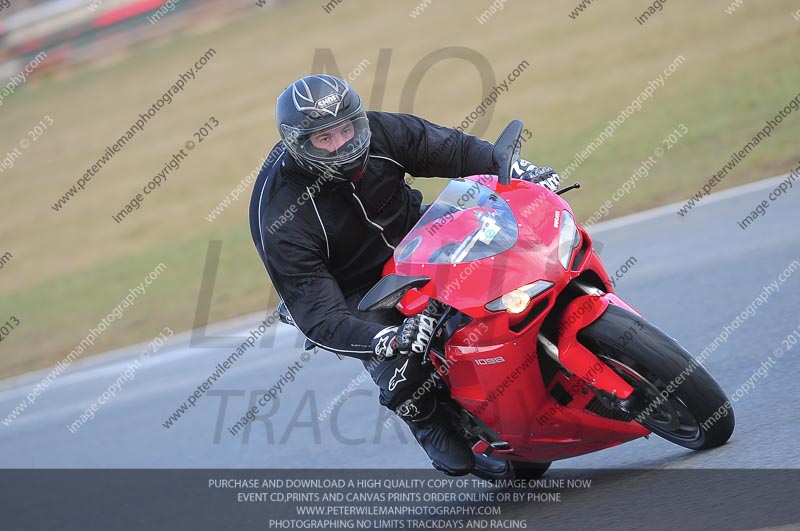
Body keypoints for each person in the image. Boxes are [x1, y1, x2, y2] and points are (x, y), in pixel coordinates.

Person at [249, 74, 560, 476]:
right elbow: (319, 314)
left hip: (421, 239)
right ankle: (426, 418)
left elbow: (451, 148)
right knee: (405, 362)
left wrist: (519, 170)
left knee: (512, 266)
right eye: (324, 139)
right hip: (355, 289)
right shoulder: (278, 213)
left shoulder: (379, 130)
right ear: (298, 143)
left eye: (347, 129)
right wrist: (388, 338)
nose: (343, 144)